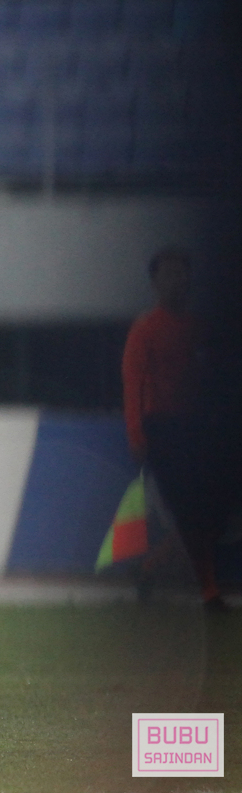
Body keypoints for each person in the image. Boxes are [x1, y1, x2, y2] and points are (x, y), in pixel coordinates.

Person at [122, 247, 230, 611]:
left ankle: (150, 568)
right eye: (168, 274)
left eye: (181, 273)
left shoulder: (199, 327)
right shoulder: (145, 329)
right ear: (155, 282)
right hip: (164, 432)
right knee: (191, 513)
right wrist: (137, 434)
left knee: (203, 516)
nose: (176, 281)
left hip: (198, 430)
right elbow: (133, 384)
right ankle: (209, 591)